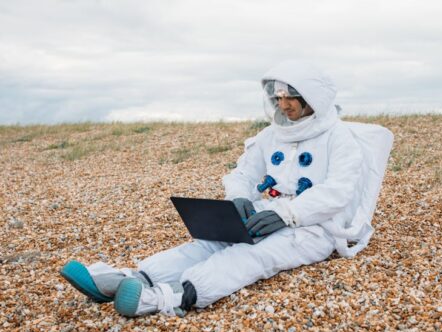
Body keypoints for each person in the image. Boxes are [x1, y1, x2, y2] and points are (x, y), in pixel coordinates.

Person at [60, 60, 393, 318]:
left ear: (312, 97)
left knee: (253, 255)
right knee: (208, 242)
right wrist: (238, 198)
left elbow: (339, 192)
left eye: (289, 96)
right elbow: (243, 172)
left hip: (316, 228)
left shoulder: (339, 139)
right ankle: (133, 277)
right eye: (277, 96)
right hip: (267, 213)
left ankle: (171, 297)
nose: (283, 103)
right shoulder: (271, 136)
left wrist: (288, 214)